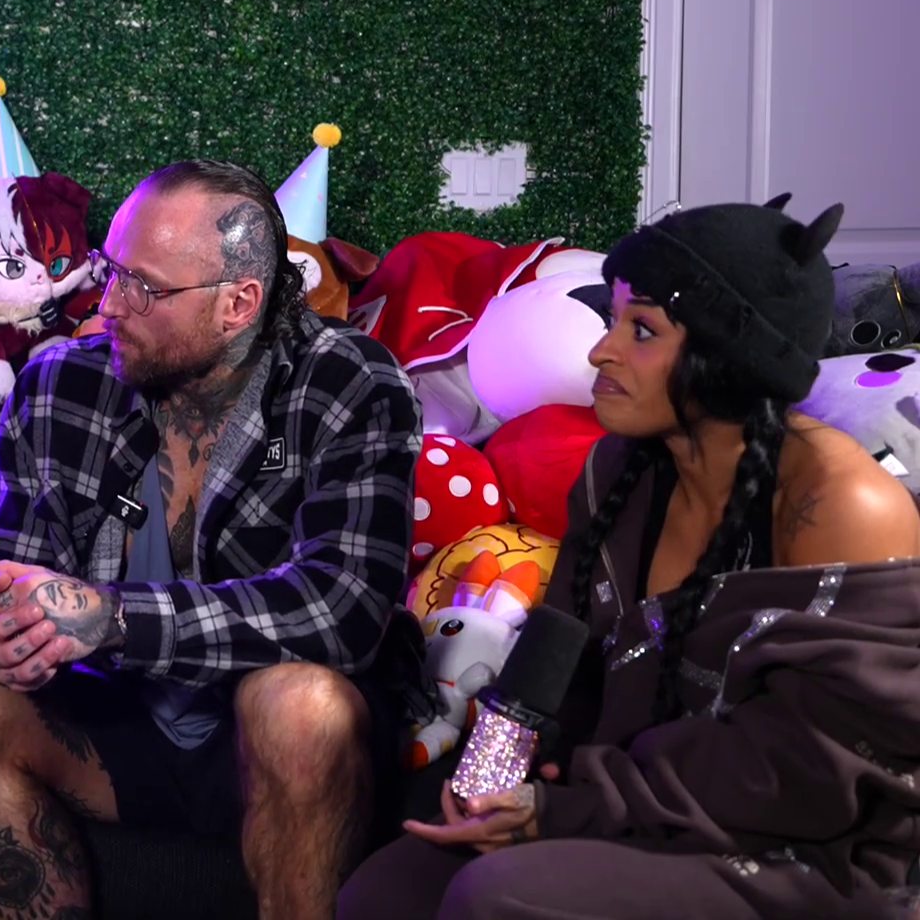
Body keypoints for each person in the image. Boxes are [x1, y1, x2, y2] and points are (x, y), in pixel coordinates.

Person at [338, 197, 920, 920]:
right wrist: (492, 773)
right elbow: (564, 652)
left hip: (801, 845)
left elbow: (810, 769)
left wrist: (561, 810)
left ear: (731, 357)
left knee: (496, 896)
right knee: (384, 891)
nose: (600, 351)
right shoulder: (620, 468)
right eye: (611, 320)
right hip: (628, 801)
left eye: (640, 330)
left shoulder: (843, 505)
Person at [0, 159, 437, 920]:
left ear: (239, 303)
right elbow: (6, 569)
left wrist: (114, 618)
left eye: (144, 288)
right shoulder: (61, 382)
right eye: (111, 271)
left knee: (299, 704)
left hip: (269, 735)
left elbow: (342, 611)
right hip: (123, 720)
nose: (108, 304)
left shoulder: (347, 383)